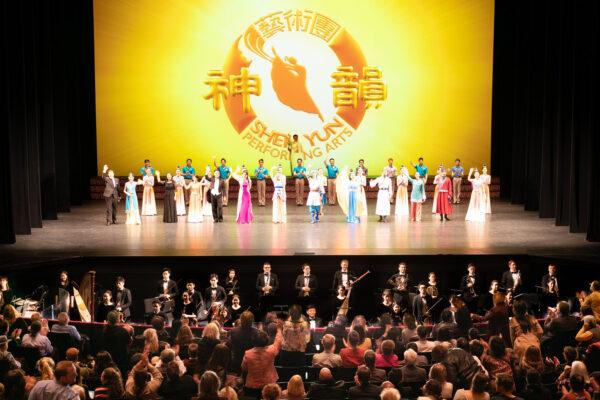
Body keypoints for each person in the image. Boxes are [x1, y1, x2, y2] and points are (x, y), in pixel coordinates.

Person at [241, 325, 283, 398]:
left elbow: (244, 368)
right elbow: (278, 341)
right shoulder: (271, 350)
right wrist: (279, 330)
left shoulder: (248, 354)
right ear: (267, 340)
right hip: (269, 385)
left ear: (253, 341)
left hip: (253, 386)